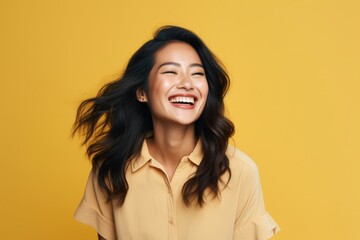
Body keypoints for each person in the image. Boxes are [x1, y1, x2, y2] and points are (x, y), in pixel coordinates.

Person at [73, 25, 280, 240]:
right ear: (142, 92)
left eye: (197, 74)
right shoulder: (110, 169)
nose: (187, 84)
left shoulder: (240, 172)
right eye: (171, 72)